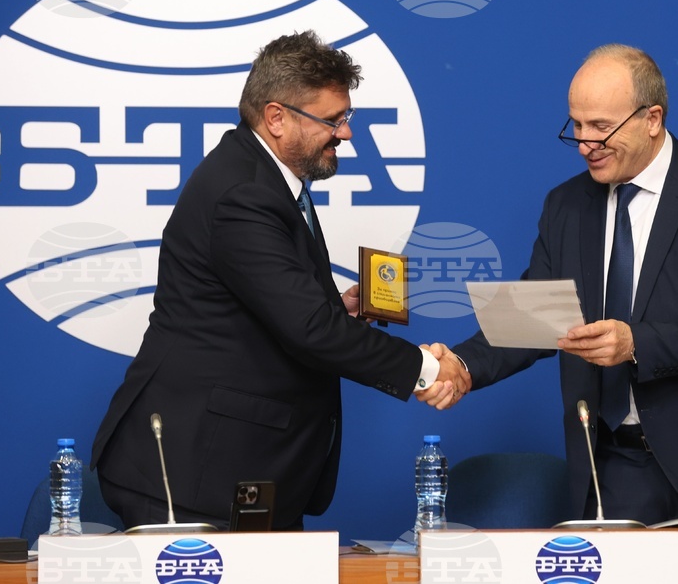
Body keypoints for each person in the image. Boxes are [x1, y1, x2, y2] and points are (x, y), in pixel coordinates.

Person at [91, 31, 469, 531]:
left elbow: (268, 300)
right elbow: (309, 328)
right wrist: (426, 369)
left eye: (347, 117)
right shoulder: (244, 193)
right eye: (332, 120)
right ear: (276, 118)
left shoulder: (266, 177)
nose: (346, 133)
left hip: (241, 467)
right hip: (193, 473)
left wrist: (334, 306)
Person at [432, 43, 678, 525]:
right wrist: (461, 365)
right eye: (576, 126)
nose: (585, 143)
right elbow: (536, 317)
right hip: (614, 471)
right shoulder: (565, 205)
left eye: (601, 127)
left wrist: (636, 342)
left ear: (652, 119)